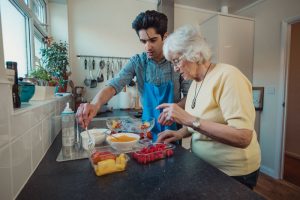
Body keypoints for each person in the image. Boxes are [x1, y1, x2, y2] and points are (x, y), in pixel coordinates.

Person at [156, 25, 261, 189]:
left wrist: (188, 120)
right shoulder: (195, 83)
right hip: (205, 166)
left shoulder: (228, 76)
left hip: (233, 173)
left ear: (195, 54)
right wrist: (178, 133)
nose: (175, 68)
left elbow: (243, 137)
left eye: (176, 61)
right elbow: (199, 122)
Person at [76, 10, 190, 142]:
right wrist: (95, 105)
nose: (148, 47)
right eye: (143, 41)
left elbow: (190, 96)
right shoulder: (138, 62)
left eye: (153, 40)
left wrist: (174, 108)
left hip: (173, 131)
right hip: (146, 130)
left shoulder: (178, 61)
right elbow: (114, 85)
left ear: (165, 37)